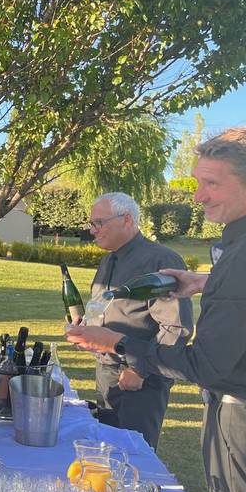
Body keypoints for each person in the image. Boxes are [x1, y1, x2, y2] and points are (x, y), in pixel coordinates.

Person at [65, 127, 246, 492]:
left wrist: (117, 345)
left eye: (212, 183)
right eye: (198, 182)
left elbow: (206, 365)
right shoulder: (242, 244)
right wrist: (207, 282)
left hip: (245, 420)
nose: (198, 196)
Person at [83, 192, 193, 449]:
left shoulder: (160, 261)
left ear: (127, 219)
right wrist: (86, 327)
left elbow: (175, 327)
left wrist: (139, 370)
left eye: (99, 223)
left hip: (141, 381)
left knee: (134, 461)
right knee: (106, 456)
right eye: (91, 223)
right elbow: (107, 307)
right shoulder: (108, 260)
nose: (92, 230)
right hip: (107, 373)